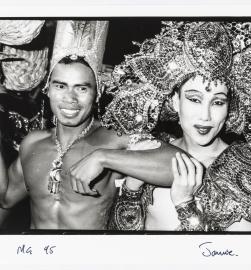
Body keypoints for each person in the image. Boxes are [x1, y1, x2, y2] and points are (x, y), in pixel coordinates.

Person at [0, 20, 179, 230]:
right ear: (48, 88)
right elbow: (6, 197)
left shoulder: (114, 139)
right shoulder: (32, 143)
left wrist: (102, 157)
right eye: (61, 86)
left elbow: (180, 166)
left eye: (82, 89)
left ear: (98, 93)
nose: (70, 99)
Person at [106, 21, 251, 231]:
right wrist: (131, 188)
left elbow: (238, 257)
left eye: (218, 102)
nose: (205, 116)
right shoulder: (153, 151)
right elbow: (119, 243)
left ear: (229, 107)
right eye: (194, 99)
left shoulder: (248, 167)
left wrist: (185, 206)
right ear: (176, 101)